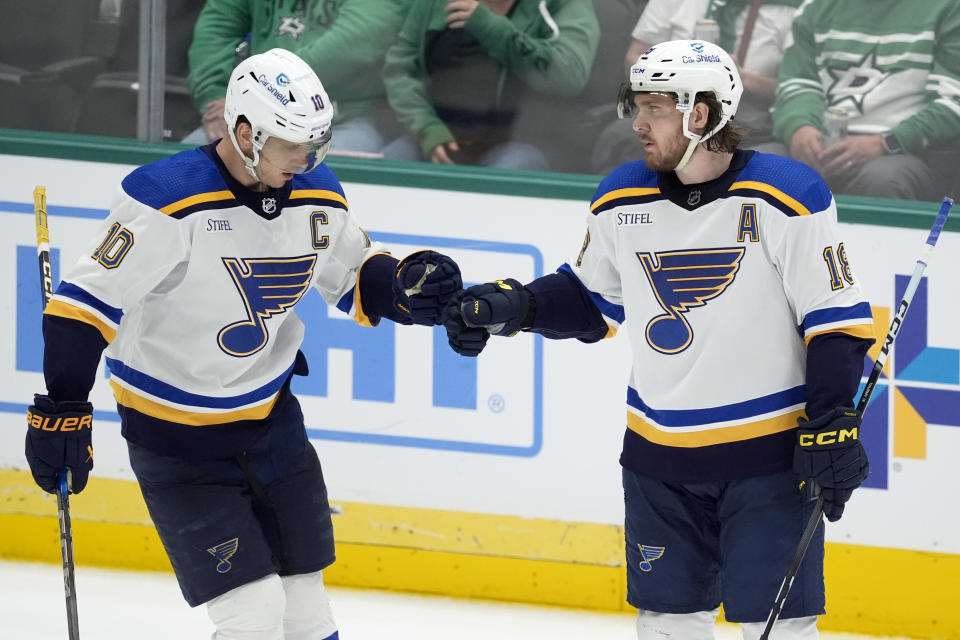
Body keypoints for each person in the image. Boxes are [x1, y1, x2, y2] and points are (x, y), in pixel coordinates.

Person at [25, 49, 463, 640]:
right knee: (252, 615)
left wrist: (410, 289)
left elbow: (355, 271)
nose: (306, 158)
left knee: (306, 610)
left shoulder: (315, 192)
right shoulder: (165, 199)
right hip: (176, 442)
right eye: (291, 144)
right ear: (244, 132)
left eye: (314, 142)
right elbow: (82, 307)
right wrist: (65, 407)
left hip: (271, 426)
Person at [444, 40, 874, 640]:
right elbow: (591, 298)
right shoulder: (621, 196)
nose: (637, 122)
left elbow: (834, 320)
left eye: (654, 107)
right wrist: (514, 305)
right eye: (636, 105)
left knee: (781, 630)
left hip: (769, 460)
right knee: (666, 628)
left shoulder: (787, 194)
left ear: (701, 114)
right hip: (658, 459)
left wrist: (832, 420)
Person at [771, 0, 960, 201]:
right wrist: (800, 128)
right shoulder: (814, 7)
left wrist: (886, 142)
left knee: (883, 180)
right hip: (822, 140)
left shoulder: (949, 7)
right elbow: (797, 83)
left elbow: (953, 100)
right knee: (758, 166)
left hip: (902, 150)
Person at [380, 0, 599, 170]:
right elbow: (401, 70)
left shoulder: (562, 4)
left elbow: (569, 75)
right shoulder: (434, 5)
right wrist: (425, 127)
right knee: (385, 169)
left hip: (521, 143)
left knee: (505, 177)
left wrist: (492, 29)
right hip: (438, 137)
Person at [185, 0, 408, 153]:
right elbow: (216, 31)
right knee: (187, 163)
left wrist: (259, 94)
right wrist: (218, 98)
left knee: (315, 180)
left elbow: (359, 39)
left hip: (344, 120)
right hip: (256, 117)